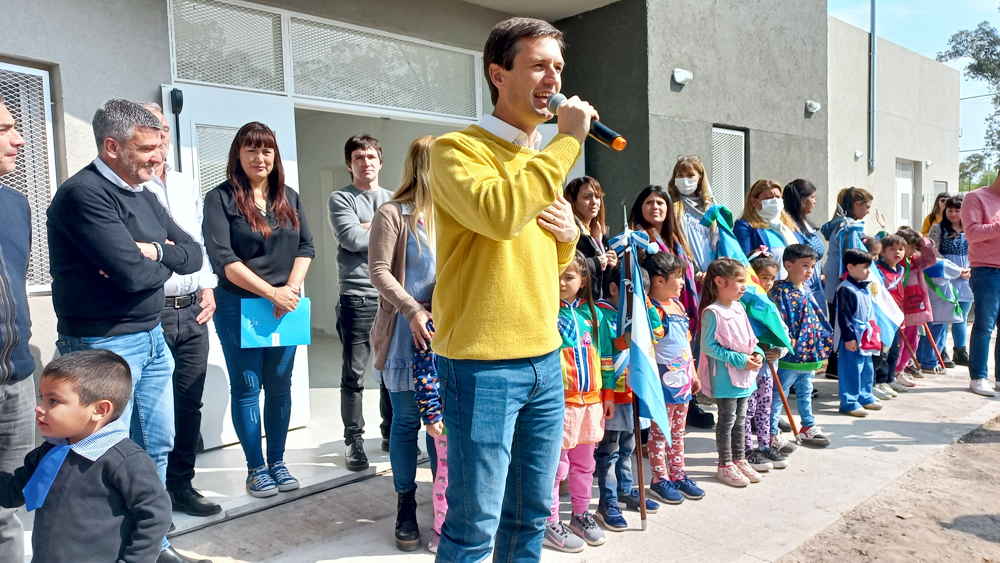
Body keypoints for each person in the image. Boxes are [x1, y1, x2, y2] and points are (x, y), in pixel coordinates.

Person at [428, 17, 591, 562]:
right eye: (539, 65)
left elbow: (540, 256)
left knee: (530, 516)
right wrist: (568, 141)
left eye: (559, 67)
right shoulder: (455, 151)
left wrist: (567, 241)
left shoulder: (540, 159)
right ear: (499, 74)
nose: (554, 78)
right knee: (474, 523)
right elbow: (499, 216)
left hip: (545, 359)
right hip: (481, 364)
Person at [46, 99, 204, 563]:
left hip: (151, 337)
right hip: (102, 344)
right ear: (112, 147)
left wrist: (151, 252)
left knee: (155, 445)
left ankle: (151, 543)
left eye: (159, 147)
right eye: (148, 148)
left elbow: (192, 255)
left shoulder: (147, 193)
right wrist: (152, 260)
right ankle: (105, 547)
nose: (158, 157)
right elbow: (131, 276)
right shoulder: (85, 194)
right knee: (99, 454)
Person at [203, 121, 314, 498]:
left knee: (281, 388)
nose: (259, 157)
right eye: (251, 149)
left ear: (275, 156)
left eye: (266, 150)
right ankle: (256, 468)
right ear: (238, 154)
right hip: (240, 305)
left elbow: (307, 248)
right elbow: (224, 259)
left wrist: (290, 290)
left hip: (287, 305)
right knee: (248, 388)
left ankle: (278, 462)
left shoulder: (290, 198)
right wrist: (272, 293)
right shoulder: (220, 199)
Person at [0, 350, 171, 563]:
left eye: (53, 401)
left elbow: (155, 516)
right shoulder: (50, 452)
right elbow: (13, 492)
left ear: (100, 410)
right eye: (41, 398)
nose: (39, 408)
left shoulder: (126, 461)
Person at [139, 102, 221, 518]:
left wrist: (207, 285)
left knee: (189, 402)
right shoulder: (129, 188)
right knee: (150, 410)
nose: (159, 141)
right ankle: (148, 498)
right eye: (150, 132)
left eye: (163, 132)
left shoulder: (187, 184)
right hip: (149, 311)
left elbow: (197, 244)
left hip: (192, 310)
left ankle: (181, 485)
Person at [367, 135, 437, 551]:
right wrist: (412, 311)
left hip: (447, 333)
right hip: (404, 333)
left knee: (441, 427)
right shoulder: (392, 213)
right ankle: (406, 504)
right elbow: (379, 271)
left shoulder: (452, 213)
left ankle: (441, 500)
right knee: (408, 422)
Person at [329, 134, 394, 470]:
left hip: (391, 296)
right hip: (357, 297)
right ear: (349, 164)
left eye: (370, 156)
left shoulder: (395, 197)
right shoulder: (341, 198)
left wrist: (370, 226)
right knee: (354, 373)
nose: (365, 162)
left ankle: (391, 432)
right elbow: (351, 239)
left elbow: (405, 241)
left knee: (390, 368)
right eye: (358, 157)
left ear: (380, 162)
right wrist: (384, 226)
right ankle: (353, 442)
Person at [544, 252, 614, 553]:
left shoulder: (594, 315)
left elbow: (608, 359)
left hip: (591, 404)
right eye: (557, 275)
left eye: (569, 277)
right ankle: (550, 520)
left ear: (583, 280)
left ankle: (581, 515)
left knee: (585, 464)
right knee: (555, 467)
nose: (562, 282)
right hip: (560, 403)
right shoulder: (546, 313)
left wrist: (608, 395)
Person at [629, 184, 713, 429]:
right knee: (657, 370)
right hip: (656, 316)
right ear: (640, 208)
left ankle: (687, 402)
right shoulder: (638, 238)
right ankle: (648, 427)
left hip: (680, 309)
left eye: (660, 203)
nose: (655, 207)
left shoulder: (675, 239)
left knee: (683, 360)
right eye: (649, 202)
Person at [593, 263, 662, 532]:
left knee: (628, 448)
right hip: (613, 394)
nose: (638, 303)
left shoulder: (639, 313)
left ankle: (625, 489)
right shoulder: (601, 313)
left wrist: (645, 305)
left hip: (634, 392)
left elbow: (658, 333)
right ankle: (607, 500)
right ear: (614, 289)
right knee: (608, 452)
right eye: (633, 295)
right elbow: (607, 348)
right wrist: (627, 339)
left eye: (642, 296)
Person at [0, 95, 35, 563]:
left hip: (16, 378)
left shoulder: (15, 203)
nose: (20, 138)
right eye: (5, 128)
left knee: (8, 506)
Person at [643, 252, 706, 504]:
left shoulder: (678, 306)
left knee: (679, 432)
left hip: (683, 381)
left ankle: (678, 474)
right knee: (660, 432)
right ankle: (659, 478)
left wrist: (693, 371)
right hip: (663, 380)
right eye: (678, 278)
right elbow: (653, 341)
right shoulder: (652, 309)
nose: (682, 283)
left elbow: (685, 343)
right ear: (658, 280)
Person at [697, 258, 764, 488]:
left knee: (742, 419)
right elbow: (708, 346)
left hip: (745, 374)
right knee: (727, 419)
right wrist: (739, 359)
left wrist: (757, 353)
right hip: (726, 377)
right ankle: (724, 464)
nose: (744, 286)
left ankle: (739, 458)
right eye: (739, 281)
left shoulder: (739, 307)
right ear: (719, 281)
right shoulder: (712, 312)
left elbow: (750, 338)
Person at [770, 244, 833, 447]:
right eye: (805, 265)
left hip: (808, 353)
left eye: (813, 266)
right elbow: (778, 322)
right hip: (789, 355)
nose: (810, 271)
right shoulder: (781, 292)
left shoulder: (806, 289)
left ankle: (807, 426)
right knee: (780, 392)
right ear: (788, 265)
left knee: (806, 391)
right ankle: (771, 432)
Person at [820, 187, 874, 379]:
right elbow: (849, 256)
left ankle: (834, 366)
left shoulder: (839, 223)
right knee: (843, 321)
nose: (868, 211)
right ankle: (837, 366)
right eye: (866, 207)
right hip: (842, 279)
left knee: (837, 320)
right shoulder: (848, 226)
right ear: (856, 205)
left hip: (835, 274)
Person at [743, 251, 788, 471]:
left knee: (765, 409)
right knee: (748, 410)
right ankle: (746, 450)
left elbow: (784, 334)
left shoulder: (771, 305)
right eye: (764, 277)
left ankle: (764, 445)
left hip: (769, 371)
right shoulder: (745, 305)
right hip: (750, 370)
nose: (768, 283)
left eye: (772, 278)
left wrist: (778, 351)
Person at [834, 249, 883, 417]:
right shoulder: (845, 289)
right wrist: (849, 338)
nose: (869, 270)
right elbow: (844, 316)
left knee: (867, 368)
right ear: (851, 267)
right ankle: (849, 402)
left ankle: (865, 395)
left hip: (866, 337)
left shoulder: (864, 287)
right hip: (853, 337)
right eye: (865, 266)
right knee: (851, 369)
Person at [412, 320, 447, 554]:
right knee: (445, 475)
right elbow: (424, 373)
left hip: (478, 415)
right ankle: (441, 529)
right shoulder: (431, 328)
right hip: (445, 420)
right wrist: (432, 413)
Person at [963, 179, 1000, 397]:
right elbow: (972, 233)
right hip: (987, 271)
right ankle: (978, 377)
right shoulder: (976, 198)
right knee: (985, 325)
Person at [928, 195, 972, 366]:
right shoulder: (938, 228)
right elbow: (933, 252)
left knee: (962, 316)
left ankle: (960, 352)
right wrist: (954, 269)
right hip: (946, 278)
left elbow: (977, 250)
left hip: (967, 278)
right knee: (945, 316)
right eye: (950, 210)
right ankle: (941, 351)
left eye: (957, 210)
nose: (953, 213)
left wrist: (970, 269)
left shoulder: (970, 229)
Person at [893, 227, 937, 385]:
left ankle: (902, 368)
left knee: (913, 339)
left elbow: (931, 259)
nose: (912, 251)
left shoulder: (916, 261)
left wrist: (923, 240)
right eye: (909, 247)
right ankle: (895, 370)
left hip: (914, 307)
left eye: (914, 247)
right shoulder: (893, 263)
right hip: (898, 308)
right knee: (899, 341)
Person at [734, 179, 798, 279]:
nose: (775, 201)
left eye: (777, 197)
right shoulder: (745, 226)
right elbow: (744, 261)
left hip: (788, 289)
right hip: (765, 289)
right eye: (768, 198)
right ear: (754, 202)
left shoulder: (787, 227)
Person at [565, 176, 616, 300]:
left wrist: (613, 263)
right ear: (574, 202)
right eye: (587, 197)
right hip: (577, 305)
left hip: (599, 304)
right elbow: (565, 268)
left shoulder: (600, 233)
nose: (594, 202)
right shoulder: (568, 232)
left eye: (597, 197)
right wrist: (595, 263)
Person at [874, 235, 910, 395]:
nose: (897, 252)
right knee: (884, 351)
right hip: (883, 317)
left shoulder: (901, 269)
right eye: (892, 249)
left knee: (895, 350)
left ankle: (890, 379)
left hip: (897, 316)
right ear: (882, 252)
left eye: (901, 249)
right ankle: (880, 381)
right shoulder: (877, 270)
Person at [668, 155, 715, 275]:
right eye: (680, 175)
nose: (685, 179)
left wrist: (713, 270)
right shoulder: (670, 205)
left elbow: (718, 240)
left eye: (690, 175)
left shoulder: (709, 207)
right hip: (685, 271)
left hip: (711, 273)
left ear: (700, 178)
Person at [784, 179, 826, 308]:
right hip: (804, 284)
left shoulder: (806, 223)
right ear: (802, 200)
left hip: (816, 283)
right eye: (812, 197)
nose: (814, 201)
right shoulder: (791, 226)